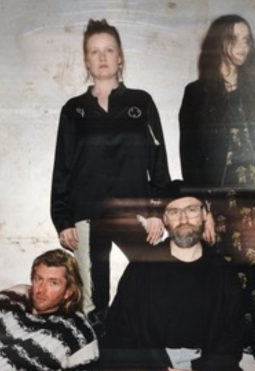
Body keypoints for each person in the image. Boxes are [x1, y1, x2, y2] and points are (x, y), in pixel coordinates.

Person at [100, 181, 255, 371]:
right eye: (174, 212)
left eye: (192, 210)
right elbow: (118, 327)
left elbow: (233, 332)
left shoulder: (223, 271)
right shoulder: (141, 268)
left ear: (205, 214)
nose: (183, 218)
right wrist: (129, 370)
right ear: (165, 219)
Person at [178, 13, 255, 371]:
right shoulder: (196, 93)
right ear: (219, 43)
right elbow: (190, 156)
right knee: (227, 280)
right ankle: (228, 365)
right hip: (221, 201)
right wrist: (203, 209)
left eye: (247, 40)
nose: (243, 47)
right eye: (235, 39)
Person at [50, 18, 171, 330]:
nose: (102, 57)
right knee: (93, 304)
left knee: (155, 283)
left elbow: (158, 161)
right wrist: (63, 219)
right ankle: (97, 352)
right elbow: (62, 167)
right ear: (86, 61)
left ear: (120, 57)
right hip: (87, 215)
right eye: (94, 51)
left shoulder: (141, 102)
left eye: (109, 50)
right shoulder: (73, 110)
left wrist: (157, 210)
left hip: (135, 210)